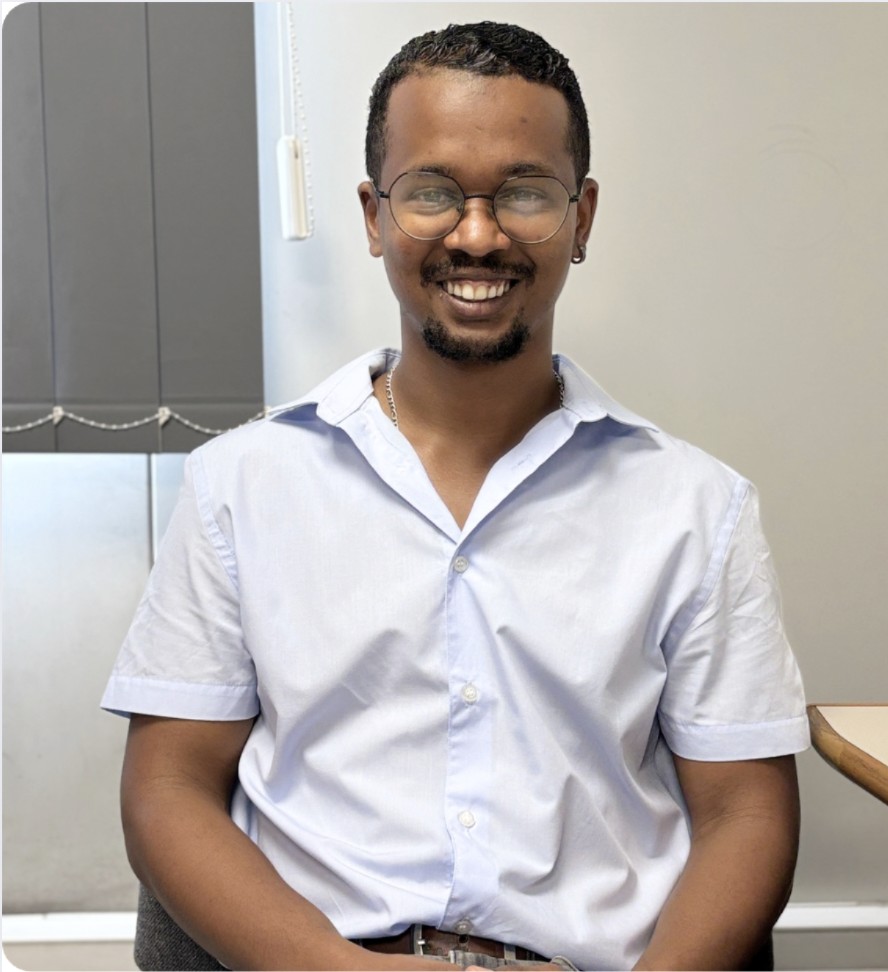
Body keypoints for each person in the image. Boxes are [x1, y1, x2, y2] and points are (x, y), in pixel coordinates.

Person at [102, 21, 810, 972]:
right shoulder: (242, 485)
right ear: (374, 216)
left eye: (525, 192)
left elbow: (746, 814)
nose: (478, 235)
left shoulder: (697, 508)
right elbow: (168, 791)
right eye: (432, 192)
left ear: (582, 218)